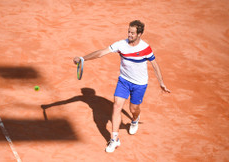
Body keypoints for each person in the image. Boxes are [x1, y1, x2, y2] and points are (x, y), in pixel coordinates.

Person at [73, 20, 171, 153]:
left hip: (139, 84)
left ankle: (135, 120)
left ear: (140, 34)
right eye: (128, 32)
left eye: (132, 33)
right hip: (124, 81)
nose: (129, 35)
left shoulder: (145, 48)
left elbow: (155, 64)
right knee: (116, 106)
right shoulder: (121, 44)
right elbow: (101, 53)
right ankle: (114, 139)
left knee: (133, 108)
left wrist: (161, 82)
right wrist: (83, 58)